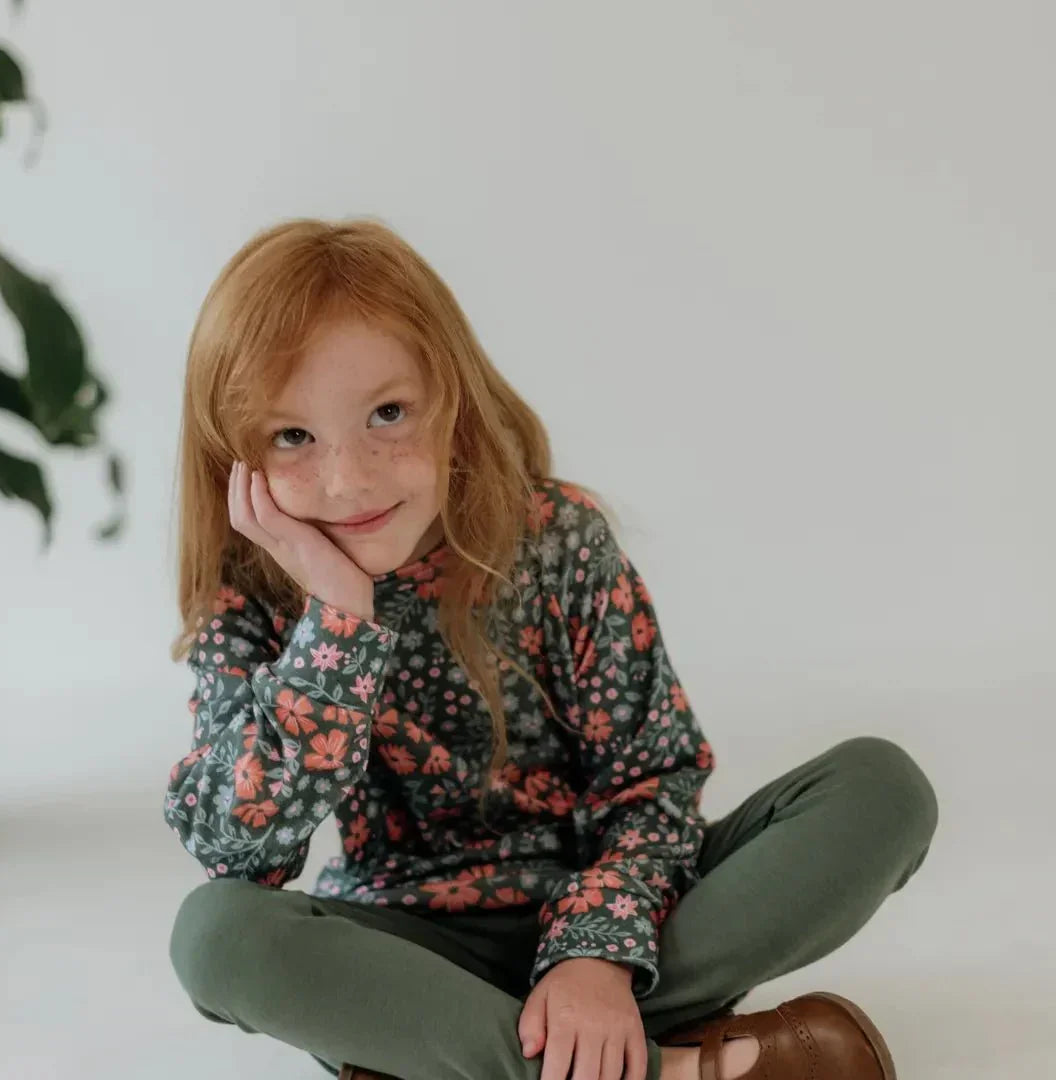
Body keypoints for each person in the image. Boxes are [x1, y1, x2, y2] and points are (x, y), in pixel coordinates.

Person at [163, 218, 939, 1080]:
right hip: (413, 956)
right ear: (235, 458)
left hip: (624, 909)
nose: (349, 478)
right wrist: (337, 621)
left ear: (452, 400)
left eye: (388, 413)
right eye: (292, 437)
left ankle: (477, 1056)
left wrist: (593, 954)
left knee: (882, 787)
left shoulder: (555, 539)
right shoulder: (255, 595)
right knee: (214, 935)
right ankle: (668, 1068)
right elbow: (237, 855)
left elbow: (651, 782)